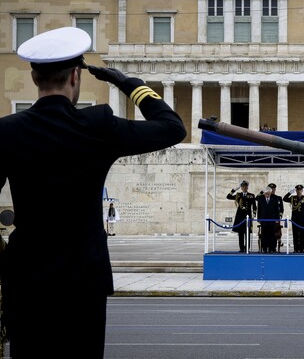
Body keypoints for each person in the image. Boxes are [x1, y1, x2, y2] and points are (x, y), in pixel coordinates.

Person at [0, 26, 186, 358]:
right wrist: (129, 84)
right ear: (76, 76)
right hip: (82, 277)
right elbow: (172, 128)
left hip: (26, 275)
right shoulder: (98, 125)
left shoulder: (6, 131)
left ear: (33, 77)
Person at [226, 180, 256, 252]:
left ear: (247, 187)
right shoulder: (238, 195)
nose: (244, 187)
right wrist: (234, 190)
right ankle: (241, 248)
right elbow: (228, 196)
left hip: (248, 216)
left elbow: (254, 205)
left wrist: (254, 213)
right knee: (241, 233)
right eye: (243, 186)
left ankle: (247, 248)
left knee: (247, 232)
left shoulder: (251, 195)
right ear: (241, 187)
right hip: (240, 216)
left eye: (246, 186)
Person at [283, 184, 304, 253]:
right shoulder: (293, 198)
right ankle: (295, 249)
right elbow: (284, 199)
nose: (299, 191)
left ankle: (301, 249)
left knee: (302, 234)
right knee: (295, 234)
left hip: (302, 219)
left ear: (302, 190)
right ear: (296, 191)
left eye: (300, 190)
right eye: (297, 190)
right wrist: (290, 192)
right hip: (295, 219)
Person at [256, 186, 280, 253]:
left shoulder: (274, 198)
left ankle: (271, 248)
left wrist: (277, 219)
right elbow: (259, 209)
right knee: (264, 235)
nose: (267, 195)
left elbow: (276, 210)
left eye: (268, 194)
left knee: (271, 235)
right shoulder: (260, 198)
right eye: (266, 194)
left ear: (270, 193)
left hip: (272, 219)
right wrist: (258, 218)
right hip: (263, 220)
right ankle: (264, 248)